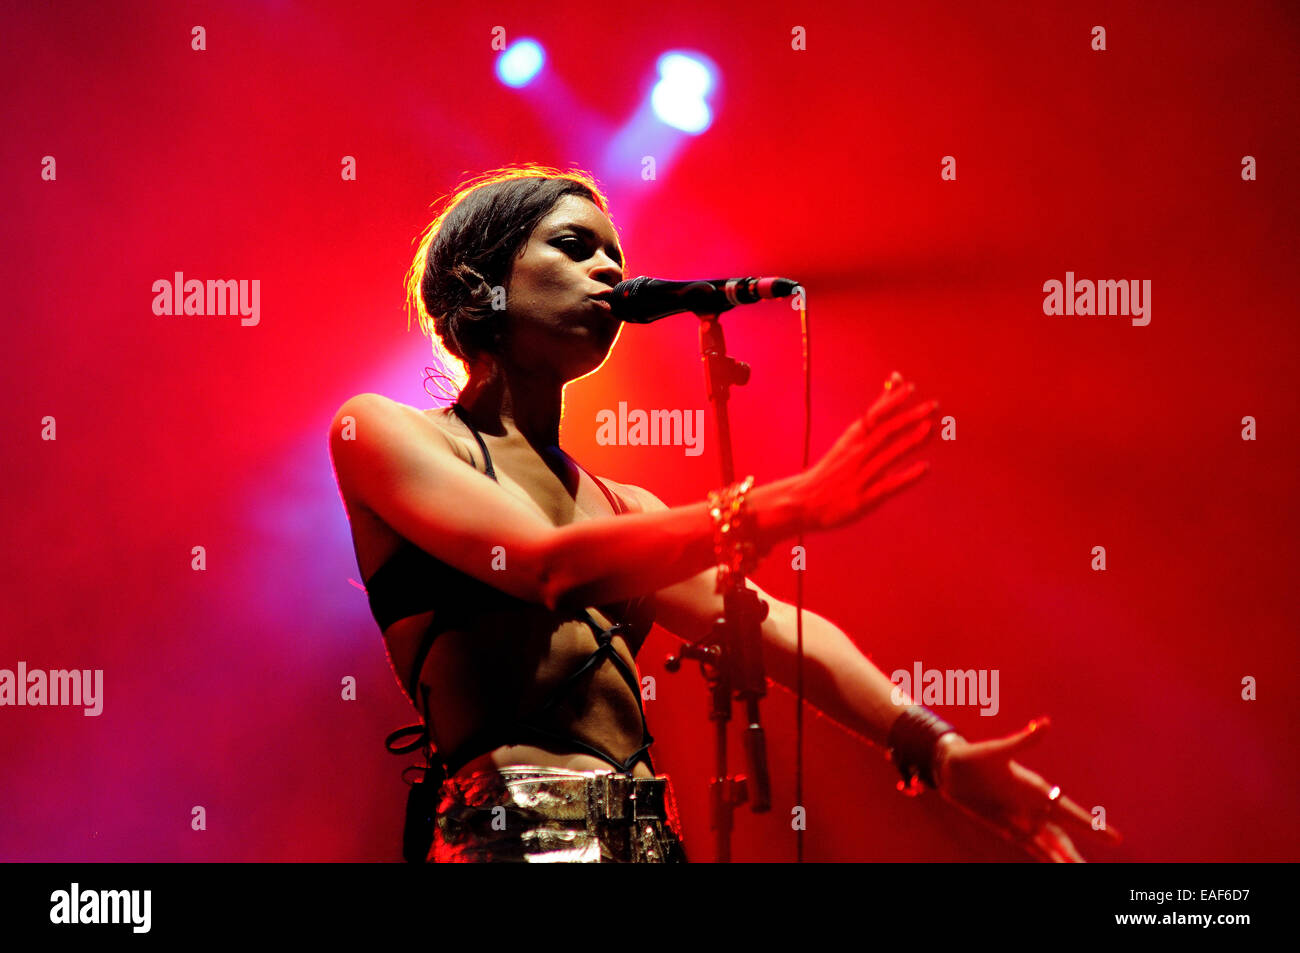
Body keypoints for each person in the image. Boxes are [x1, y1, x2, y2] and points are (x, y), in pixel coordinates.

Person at [328, 164, 1121, 863]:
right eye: (574, 246)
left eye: (616, 254)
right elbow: (546, 565)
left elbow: (773, 627)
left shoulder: (623, 506)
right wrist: (783, 504)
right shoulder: (381, 430)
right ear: (481, 278)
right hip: (511, 839)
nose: (609, 268)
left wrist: (935, 748)